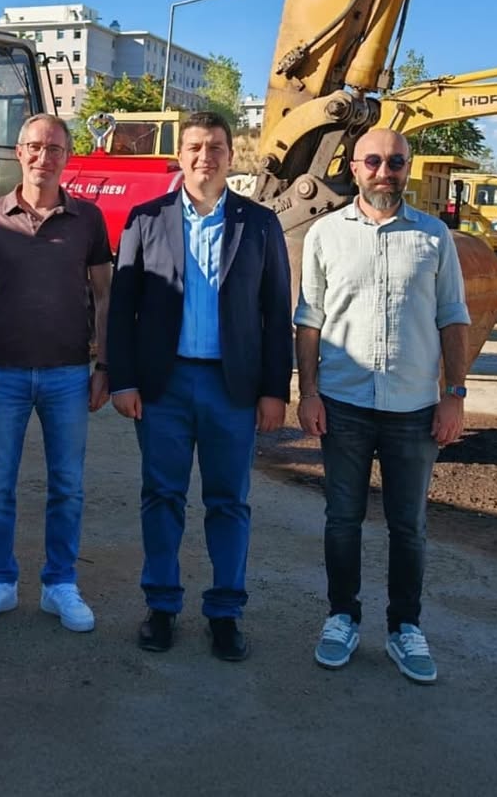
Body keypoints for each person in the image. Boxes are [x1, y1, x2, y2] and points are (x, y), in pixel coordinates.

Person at [107, 111, 293, 661]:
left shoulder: (259, 224)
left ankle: (225, 612)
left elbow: (275, 311)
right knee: (162, 496)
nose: (204, 156)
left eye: (215, 147)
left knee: (228, 502)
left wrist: (275, 390)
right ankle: (161, 606)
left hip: (231, 389)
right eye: (194, 146)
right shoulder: (146, 219)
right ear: (180, 154)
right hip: (162, 387)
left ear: (231, 156)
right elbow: (122, 309)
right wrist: (123, 379)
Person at [294, 127, 470, 685]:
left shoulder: (433, 236)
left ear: (407, 168)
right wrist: (309, 392)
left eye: (396, 162)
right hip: (343, 404)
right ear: (353, 167)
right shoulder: (325, 234)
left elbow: (453, 317)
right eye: (373, 161)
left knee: (408, 525)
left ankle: (404, 627)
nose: (384, 171)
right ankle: (342, 617)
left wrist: (455, 395)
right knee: (342, 519)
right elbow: (309, 319)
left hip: (414, 409)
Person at [0, 113, 112, 633]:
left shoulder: (88, 219)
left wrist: (104, 365)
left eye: (55, 149)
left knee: (67, 485)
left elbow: (105, 295)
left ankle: (59, 583)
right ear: (19, 152)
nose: (45, 157)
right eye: (36, 147)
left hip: (68, 374)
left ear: (68, 157)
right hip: (2, 374)